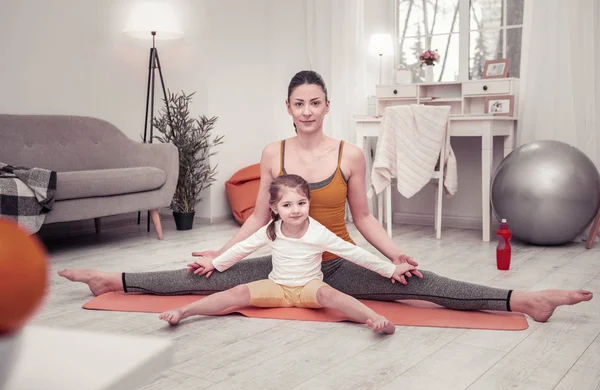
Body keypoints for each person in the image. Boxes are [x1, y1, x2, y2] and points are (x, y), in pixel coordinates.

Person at [59, 70, 593, 323]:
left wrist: (393, 257)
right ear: (288, 107)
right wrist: (218, 255)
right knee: (200, 278)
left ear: (327, 105)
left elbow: (363, 218)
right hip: (284, 261)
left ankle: (521, 299)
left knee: (419, 285)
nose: (307, 110)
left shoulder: (350, 155)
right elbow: (257, 222)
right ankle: (114, 279)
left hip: (334, 263)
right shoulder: (274, 153)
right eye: (299, 103)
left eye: (315, 101)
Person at [159, 174, 423, 334]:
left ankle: (376, 320)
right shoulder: (271, 229)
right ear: (274, 208)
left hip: (309, 288)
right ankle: (184, 312)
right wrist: (214, 262)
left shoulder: (318, 232)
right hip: (278, 288)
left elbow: (354, 253)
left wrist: (391, 268)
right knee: (237, 293)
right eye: (287, 205)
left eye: (301, 203)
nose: (295, 210)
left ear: (309, 202)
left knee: (331, 294)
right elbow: (243, 248)